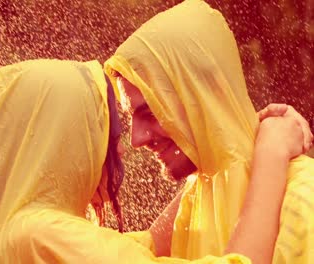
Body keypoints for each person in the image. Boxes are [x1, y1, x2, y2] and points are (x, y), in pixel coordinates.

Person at [0, 58, 307, 263]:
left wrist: (204, 157)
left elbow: (144, 248)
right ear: (64, 141)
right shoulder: (42, 235)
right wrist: (271, 155)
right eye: (104, 137)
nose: (121, 149)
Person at [104, 0, 314, 263]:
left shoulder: (304, 198)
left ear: (207, 94)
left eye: (152, 112)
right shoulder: (197, 199)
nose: (136, 139)